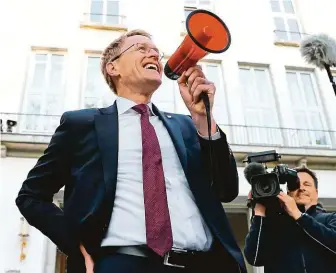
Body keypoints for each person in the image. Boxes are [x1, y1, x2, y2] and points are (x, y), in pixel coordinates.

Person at [15, 29, 247, 273]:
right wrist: (75, 245)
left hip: (203, 264)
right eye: (141, 49)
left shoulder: (188, 126)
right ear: (113, 68)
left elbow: (226, 190)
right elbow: (31, 196)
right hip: (123, 263)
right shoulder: (81, 125)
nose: (154, 56)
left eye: (157, 53)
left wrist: (203, 119)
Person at [244, 166, 336, 273]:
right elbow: (254, 258)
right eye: (296, 185)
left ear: (316, 192)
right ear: (288, 192)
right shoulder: (275, 225)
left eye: (307, 184)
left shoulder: (330, 219)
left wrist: (299, 216)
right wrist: (260, 213)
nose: (301, 188)